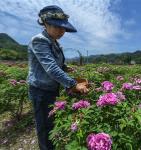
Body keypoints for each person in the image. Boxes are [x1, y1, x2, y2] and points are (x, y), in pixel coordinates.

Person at [27, 5, 88, 150]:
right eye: (57, 27)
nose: (62, 31)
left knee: (51, 122)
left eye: (63, 28)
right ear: (46, 23)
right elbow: (51, 68)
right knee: (44, 126)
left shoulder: (55, 43)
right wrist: (73, 84)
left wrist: (65, 67)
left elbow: (56, 63)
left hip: (52, 88)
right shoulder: (39, 40)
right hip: (40, 90)